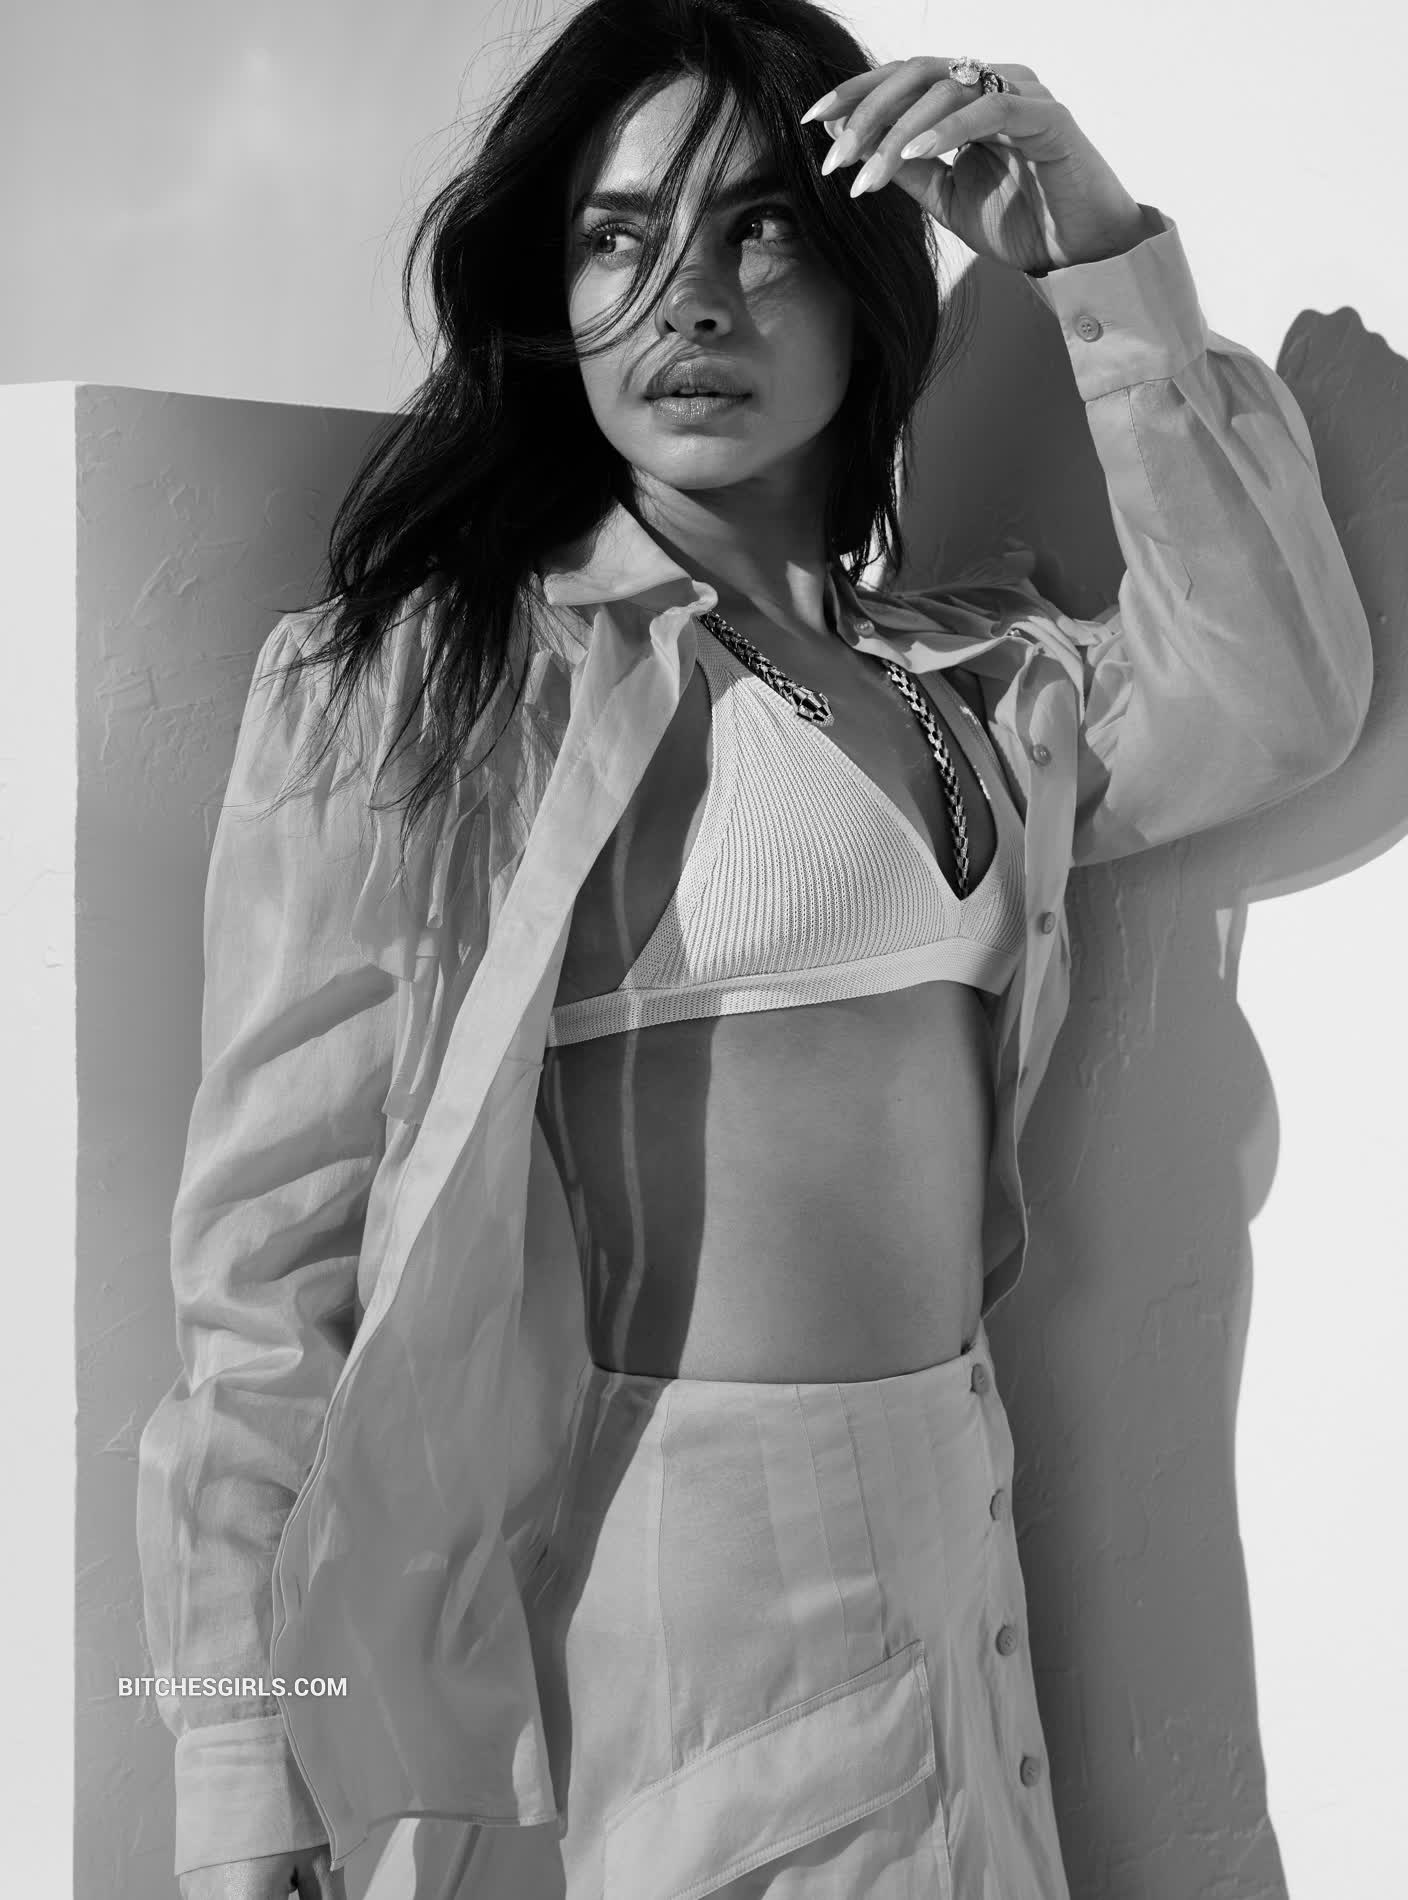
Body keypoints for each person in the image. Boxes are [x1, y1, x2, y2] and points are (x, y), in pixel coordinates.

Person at [136, 1, 1373, 1896]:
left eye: (761, 228)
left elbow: (1276, 699)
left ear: (867, 279)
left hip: (962, 1540)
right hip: (678, 1587)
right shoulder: (437, 683)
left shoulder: (970, 675)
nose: (688, 301)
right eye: (619, 239)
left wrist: (1095, 252)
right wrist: (239, 1767)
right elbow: (267, 1260)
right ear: (555, 300)